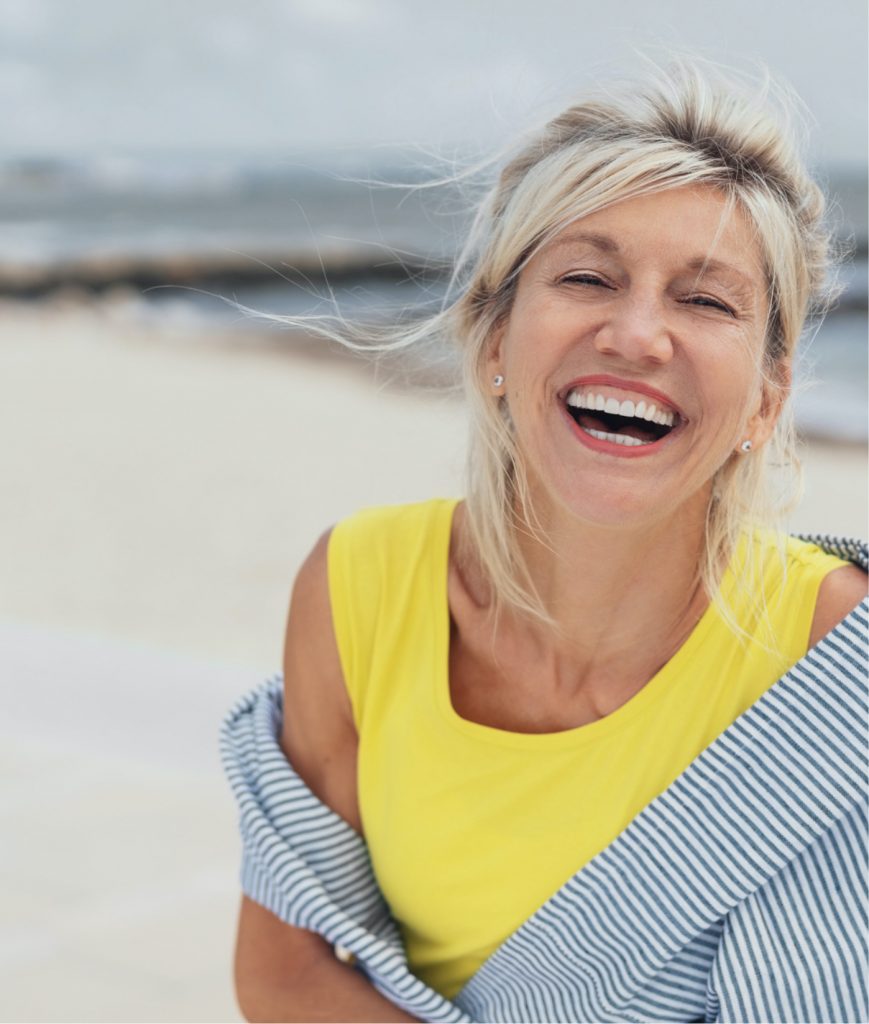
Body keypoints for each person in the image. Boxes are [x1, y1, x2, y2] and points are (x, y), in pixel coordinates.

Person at [225, 61, 868, 1023]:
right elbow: (284, 972)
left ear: (765, 400)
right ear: (492, 340)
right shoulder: (359, 585)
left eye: (705, 301)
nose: (636, 335)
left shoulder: (834, 655)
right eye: (585, 277)